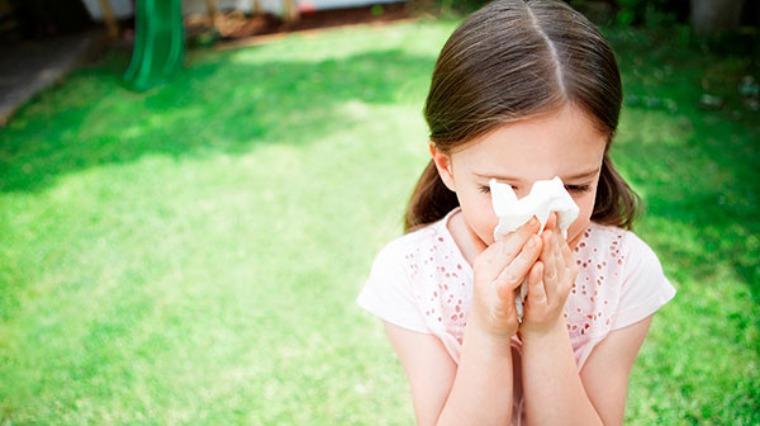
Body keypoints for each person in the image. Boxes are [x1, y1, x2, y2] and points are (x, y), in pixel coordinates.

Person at [356, 0, 676, 424]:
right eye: (501, 190)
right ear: (446, 164)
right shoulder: (411, 273)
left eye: (575, 186)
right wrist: (489, 330)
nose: (538, 220)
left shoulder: (624, 271)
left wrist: (545, 329)